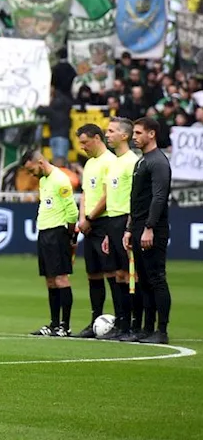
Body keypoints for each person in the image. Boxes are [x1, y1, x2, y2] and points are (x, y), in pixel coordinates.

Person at [124, 117, 172, 344]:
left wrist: (149, 227)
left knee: (156, 278)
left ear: (152, 134)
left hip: (152, 229)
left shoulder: (159, 162)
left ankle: (161, 331)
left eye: (138, 132)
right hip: (138, 228)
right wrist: (129, 228)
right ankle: (146, 328)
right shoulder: (142, 162)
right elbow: (136, 199)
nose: (134, 137)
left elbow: (159, 198)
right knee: (143, 280)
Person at [24, 147, 78, 337]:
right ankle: (54, 324)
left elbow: (72, 211)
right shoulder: (44, 180)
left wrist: (71, 234)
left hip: (58, 233)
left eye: (31, 170)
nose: (31, 174)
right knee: (49, 279)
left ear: (40, 162)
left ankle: (65, 325)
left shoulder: (60, 179)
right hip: (45, 232)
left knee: (61, 278)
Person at [74, 123, 118, 338]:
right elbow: (84, 194)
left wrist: (90, 218)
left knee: (112, 272)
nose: (82, 147)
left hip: (104, 222)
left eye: (85, 142)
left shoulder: (110, 162)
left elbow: (108, 194)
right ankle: (95, 321)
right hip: (89, 224)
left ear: (97, 138)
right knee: (93, 274)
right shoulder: (90, 163)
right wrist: (82, 218)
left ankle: (121, 321)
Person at [103, 118, 136, 341]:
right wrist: (108, 232)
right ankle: (121, 321)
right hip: (112, 222)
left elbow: (136, 198)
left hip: (125, 221)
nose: (107, 134)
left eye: (111, 131)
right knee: (118, 275)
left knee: (131, 275)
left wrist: (130, 227)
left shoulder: (131, 162)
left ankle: (133, 323)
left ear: (124, 136)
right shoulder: (114, 162)